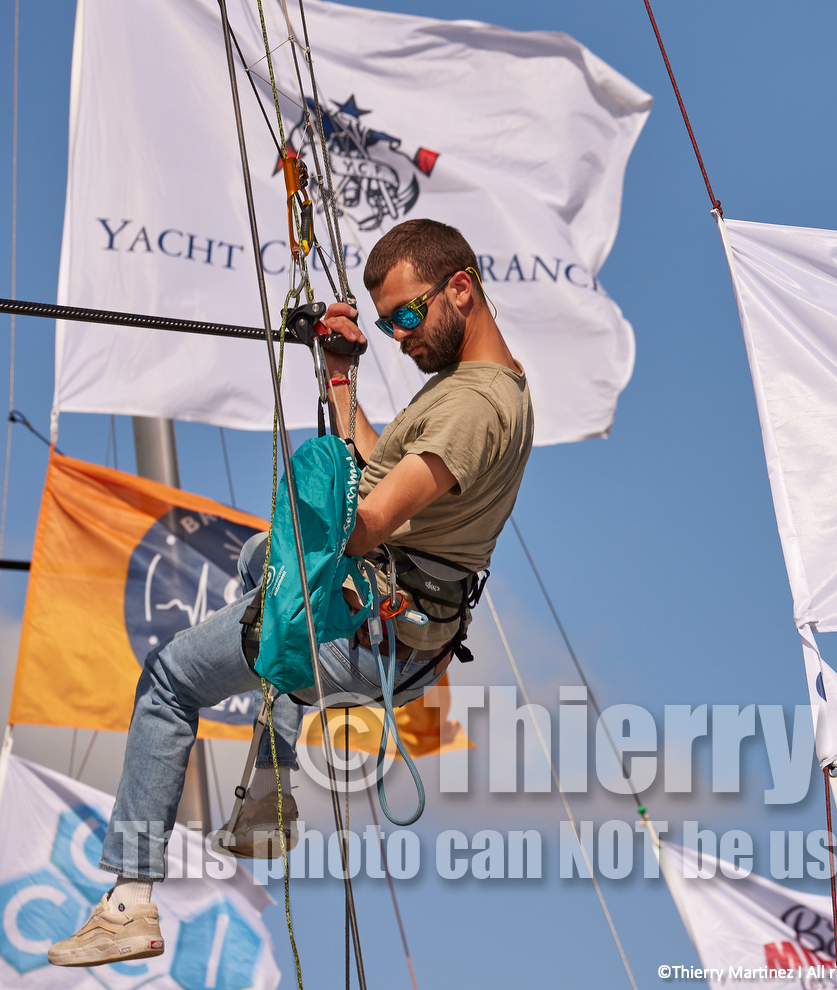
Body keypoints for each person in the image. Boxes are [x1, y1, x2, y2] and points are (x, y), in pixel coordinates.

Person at [48, 218, 534, 968]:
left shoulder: (473, 406)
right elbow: (379, 468)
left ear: (461, 289)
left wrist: (309, 484)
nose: (401, 337)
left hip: (361, 634)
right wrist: (337, 374)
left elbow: (366, 523)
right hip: (394, 631)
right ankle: (270, 794)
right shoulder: (468, 392)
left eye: (408, 315)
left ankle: (128, 900)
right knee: (256, 559)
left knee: (170, 681)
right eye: (386, 323)